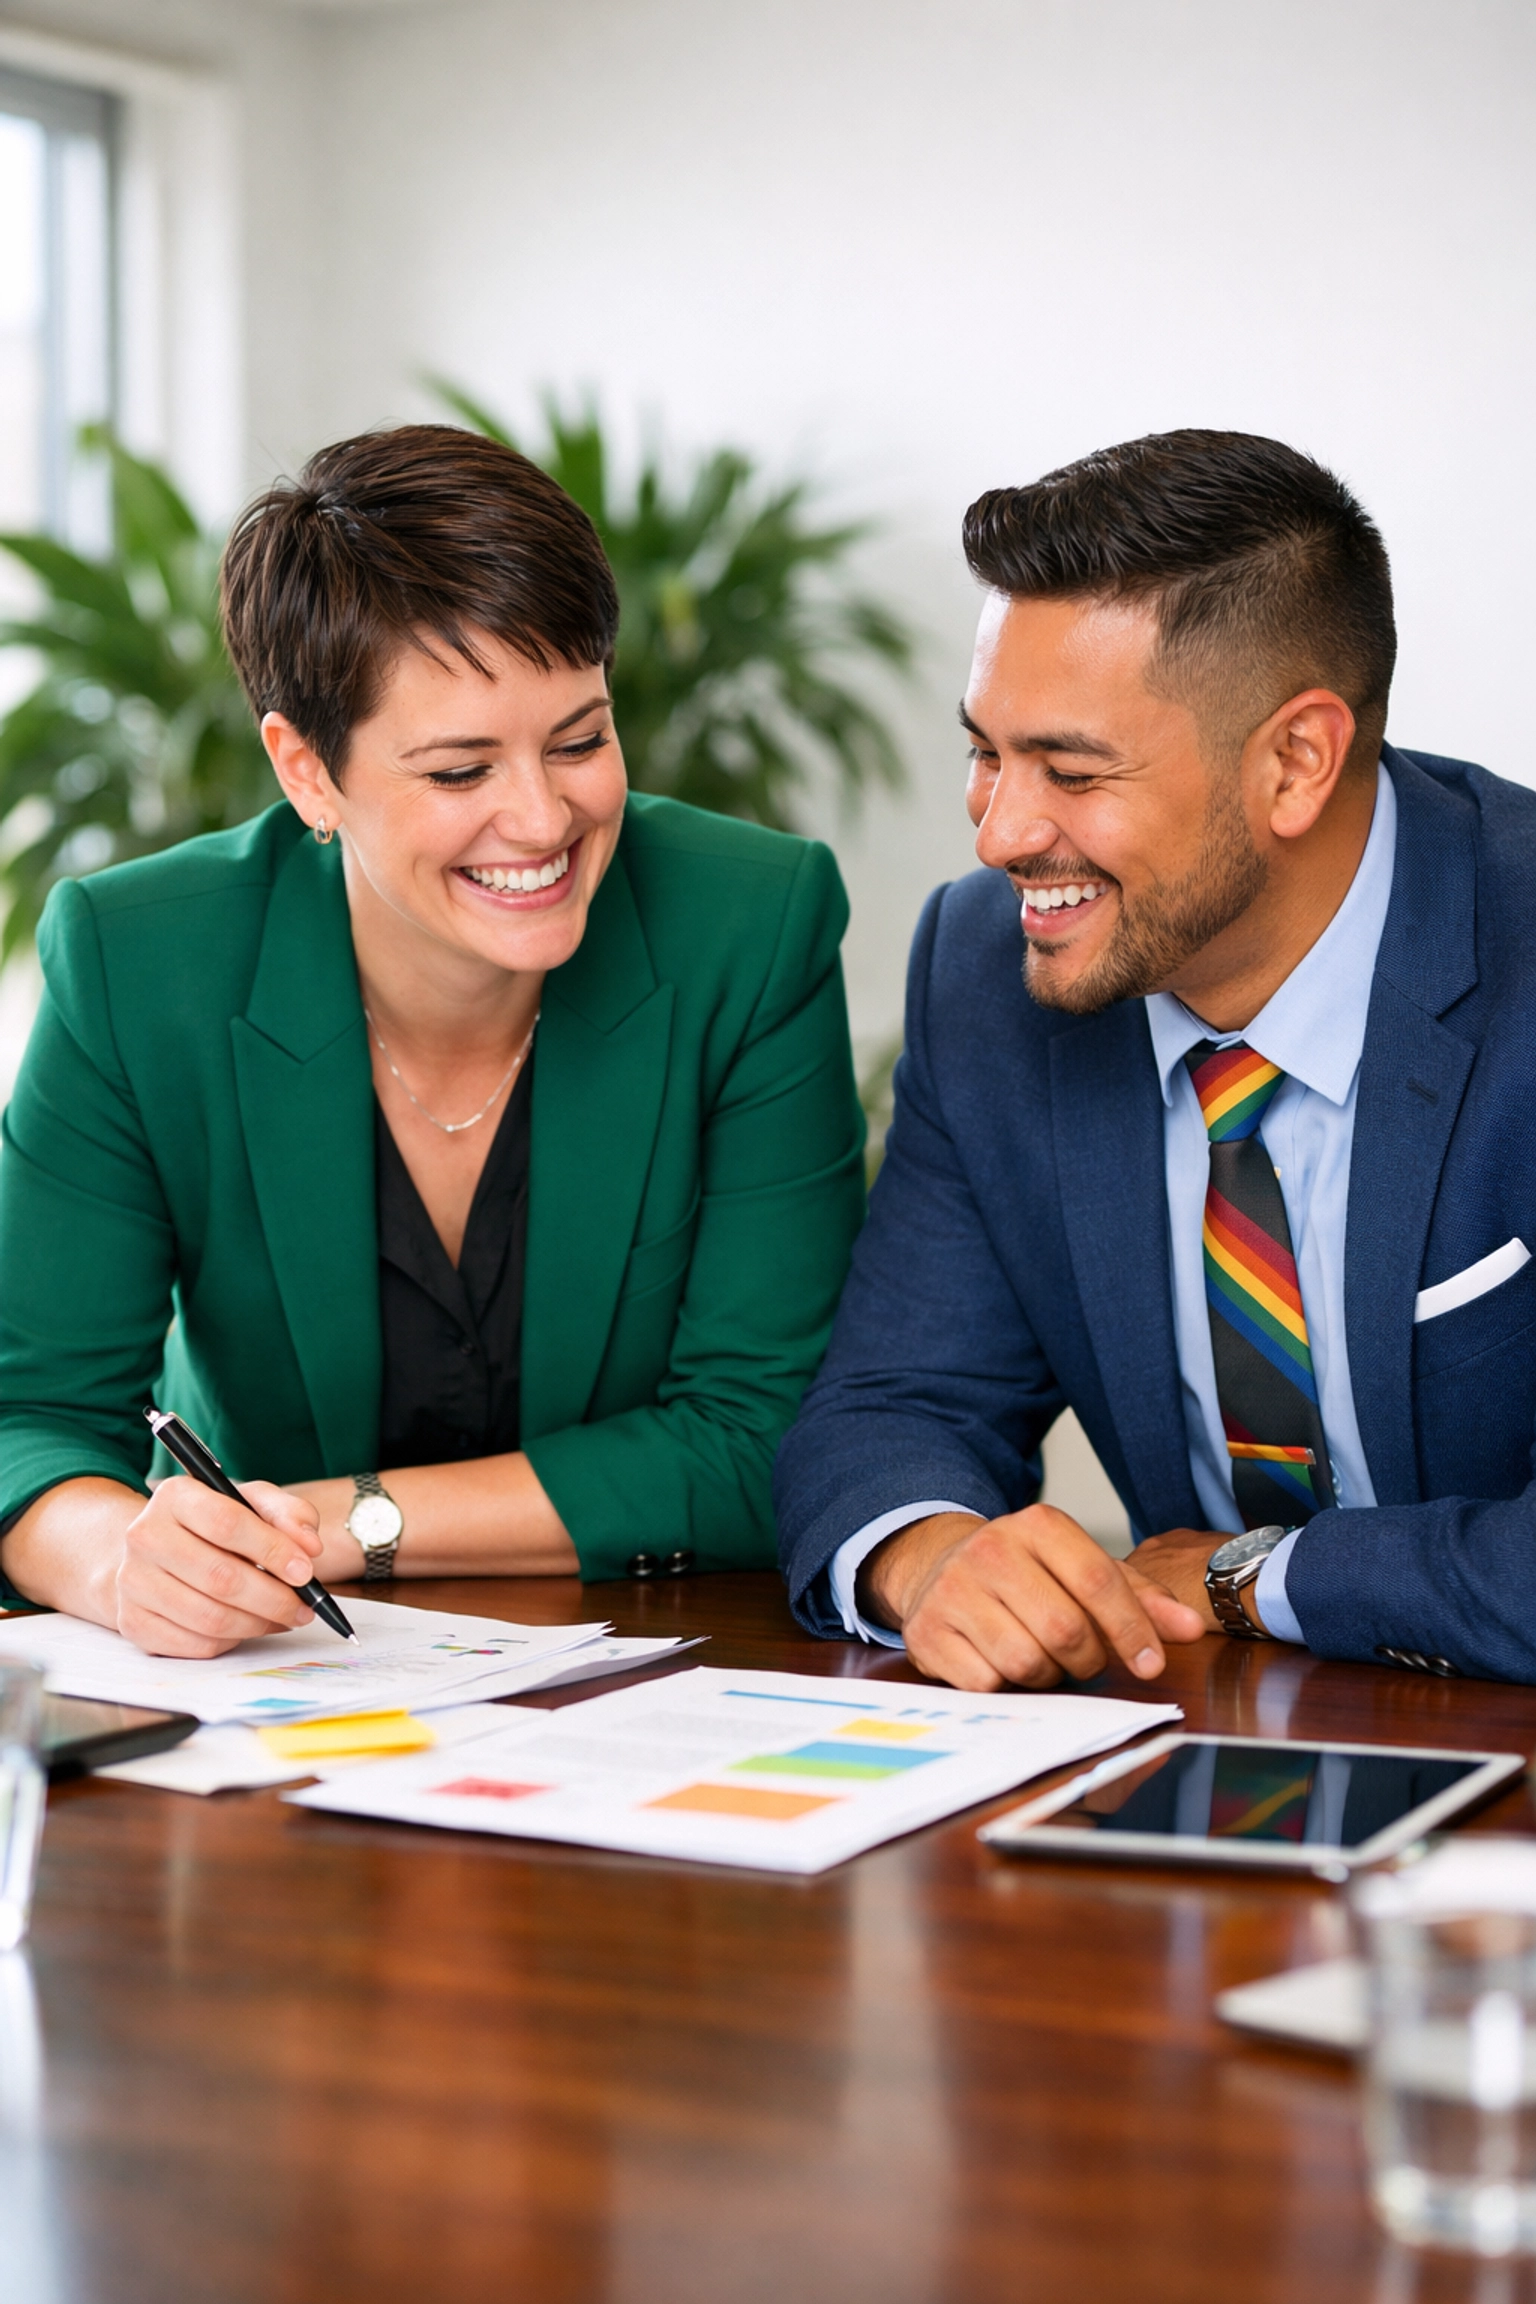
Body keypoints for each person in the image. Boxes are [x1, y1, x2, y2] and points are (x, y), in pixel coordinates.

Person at [0, 424, 865, 1656]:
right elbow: (29, 1414)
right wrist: (120, 1561)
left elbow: (767, 1436)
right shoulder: (139, 960)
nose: (543, 816)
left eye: (580, 739)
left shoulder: (750, 924)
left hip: (649, 1684)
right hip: (274, 1697)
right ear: (306, 771)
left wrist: (343, 1520)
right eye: (461, 770)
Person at [776, 427, 1536, 1690]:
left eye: (1071, 771)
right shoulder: (990, 968)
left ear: (1297, 760)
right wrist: (932, 1555)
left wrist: (1261, 1577)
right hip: (1185, 1756)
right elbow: (892, 1403)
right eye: (985, 752)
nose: (1000, 834)